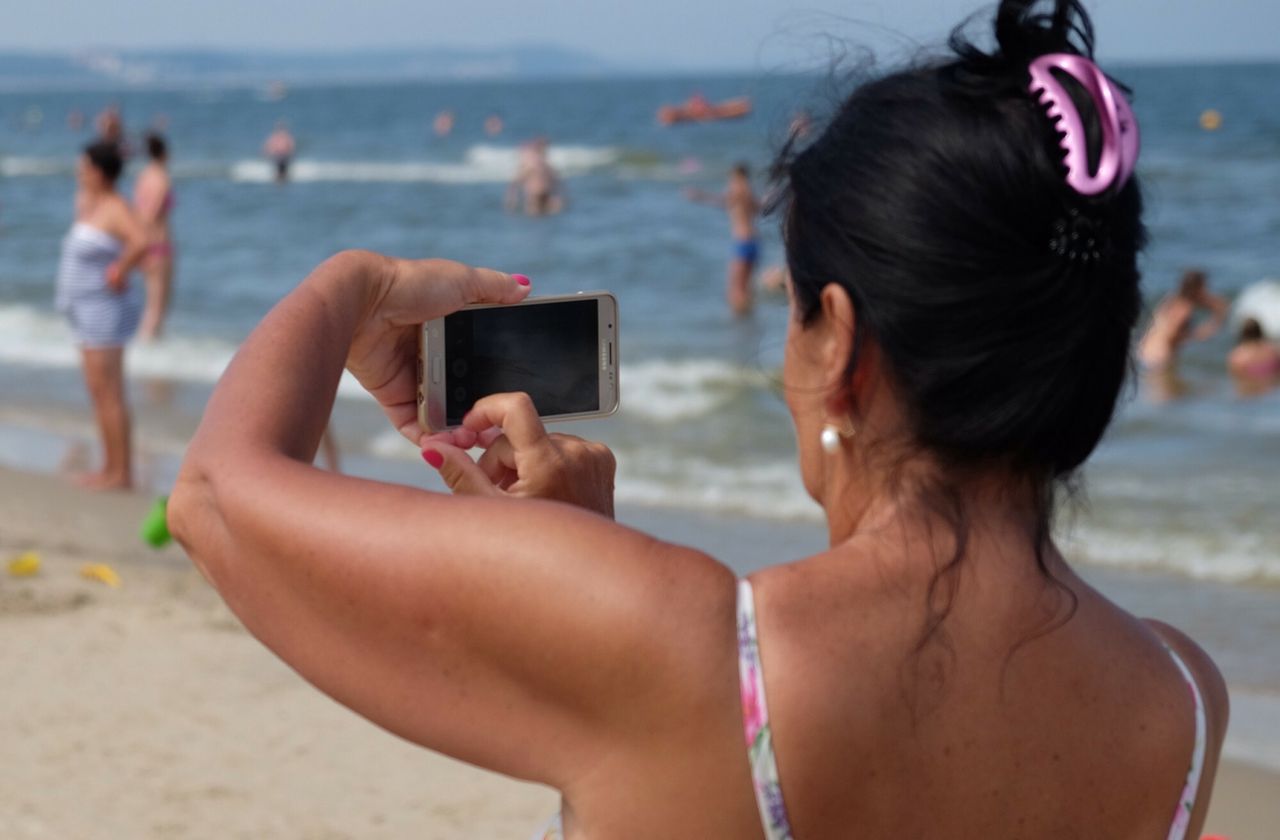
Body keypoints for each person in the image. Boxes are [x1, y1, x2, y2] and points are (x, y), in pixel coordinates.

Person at [168, 2, 1227, 838]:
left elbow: (216, 496)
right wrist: (595, 558)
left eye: (789, 313)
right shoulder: (1178, 702)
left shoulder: (690, 652)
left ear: (841, 346)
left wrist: (352, 288)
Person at [56, 141, 148, 490]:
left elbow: (142, 240)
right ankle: (109, 467)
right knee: (98, 393)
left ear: (98, 171)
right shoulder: (90, 204)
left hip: (103, 311)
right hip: (83, 311)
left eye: (84, 167)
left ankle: (121, 473)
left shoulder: (113, 206)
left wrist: (120, 270)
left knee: (110, 393)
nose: (79, 172)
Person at [686, 163, 761, 315]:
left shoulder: (739, 189)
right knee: (746, 287)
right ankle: (749, 322)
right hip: (754, 241)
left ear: (738, 176)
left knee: (735, 289)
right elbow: (758, 208)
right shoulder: (749, 192)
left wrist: (699, 196)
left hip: (742, 242)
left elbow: (723, 200)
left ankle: (739, 324)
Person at [1138, 269, 1229, 371]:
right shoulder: (1185, 310)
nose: (1206, 291)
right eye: (1204, 287)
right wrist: (1199, 333)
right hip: (1160, 357)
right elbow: (1172, 334)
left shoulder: (1171, 299)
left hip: (1145, 350)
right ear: (1197, 288)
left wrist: (1217, 308)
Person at [134, 132, 176, 340]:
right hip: (159, 245)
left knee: (152, 303)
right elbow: (153, 212)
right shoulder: (162, 177)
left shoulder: (143, 176)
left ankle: (148, 350)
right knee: (158, 305)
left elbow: (139, 211)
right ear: (164, 153)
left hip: (145, 245)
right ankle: (149, 348)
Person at [505, 137, 564, 216]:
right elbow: (515, 183)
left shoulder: (547, 167)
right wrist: (512, 199)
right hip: (534, 198)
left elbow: (557, 182)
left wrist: (561, 196)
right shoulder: (530, 166)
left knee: (557, 206)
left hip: (546, 196)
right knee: (534, 213)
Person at [1227, 318, 1280, 396]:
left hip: (1251, 390)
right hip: (1273, 388)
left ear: (1242, 333)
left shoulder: (1238, 356)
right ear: (1260, 331)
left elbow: (1236, 380)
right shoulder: (1274, 350)